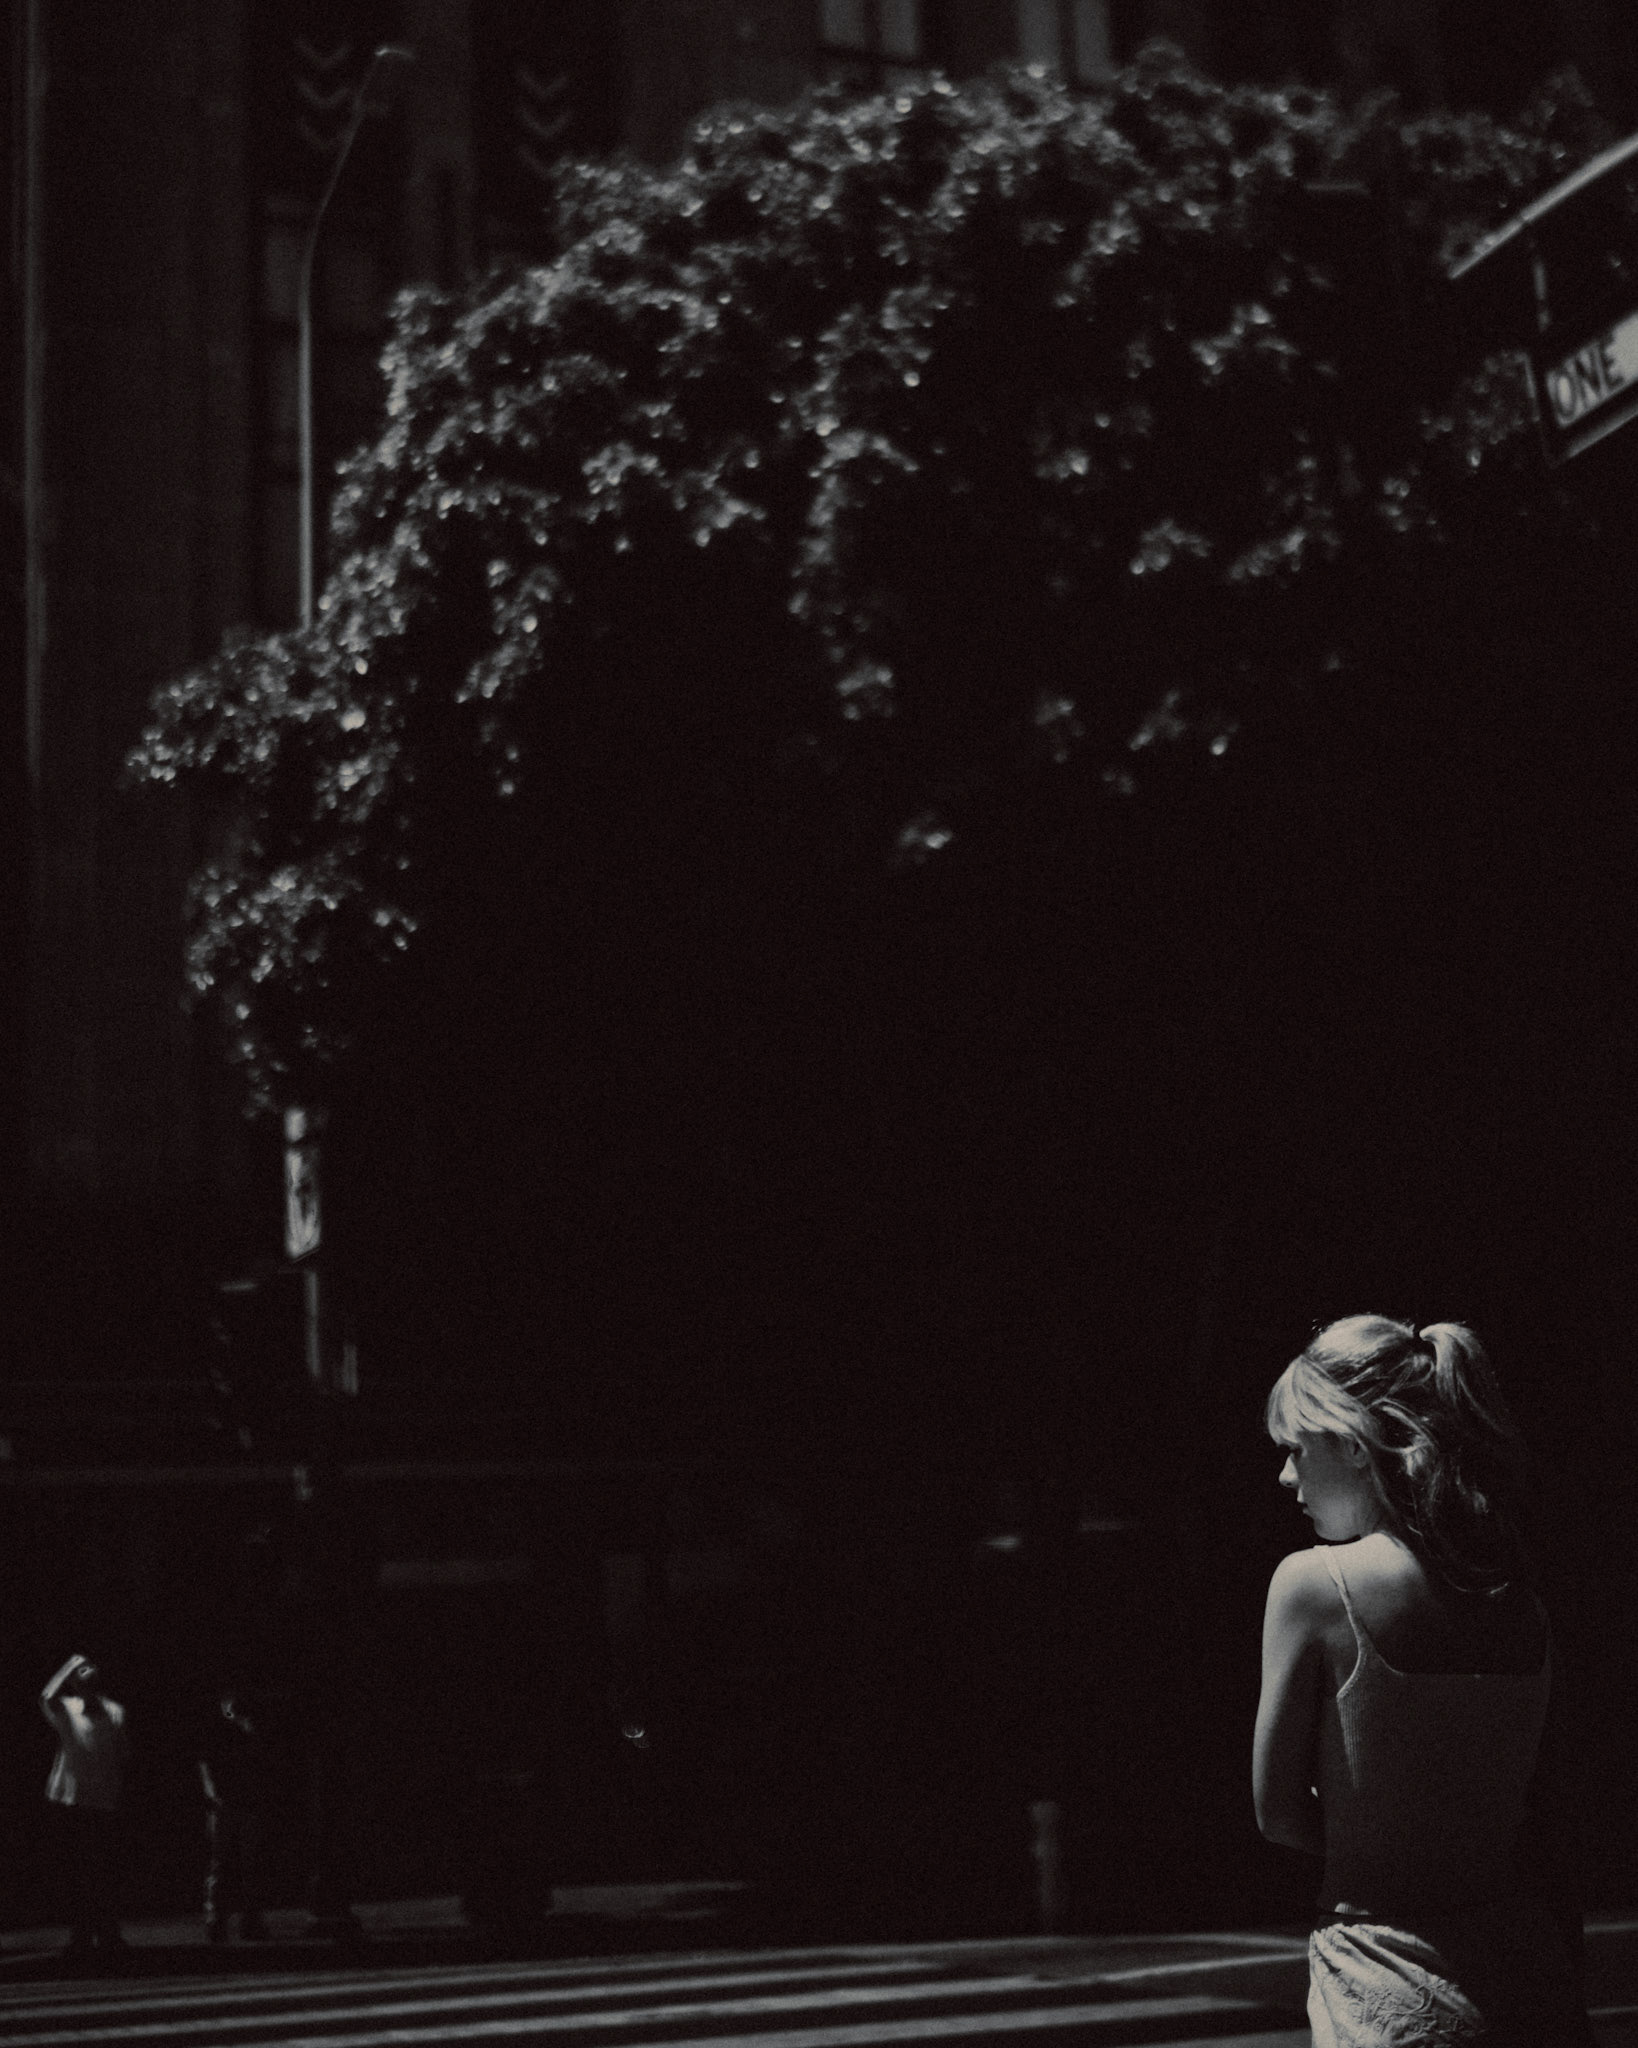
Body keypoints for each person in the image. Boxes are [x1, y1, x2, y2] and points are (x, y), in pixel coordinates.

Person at [1254, 1316, 1593, 2047]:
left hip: (1389, 1978)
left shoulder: (1314, 1585)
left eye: (1294, 1449)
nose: (1286, 1477)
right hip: (1527, 1974)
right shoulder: (1517, 1600)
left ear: (1349, 1443)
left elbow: (1276, 1810)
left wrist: (1375, 1845)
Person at [39, 1653, 131, 1962]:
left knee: (104, 1871)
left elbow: (122, 1753)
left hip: (104, 1801)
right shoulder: (67, 1708)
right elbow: (46, 1696)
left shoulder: (114, 1711)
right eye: (83, 1670)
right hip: (73, 1801)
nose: (89, 1671)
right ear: (75, 1682)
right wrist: (69, 1665)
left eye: (92, 1667)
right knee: (80, 1872)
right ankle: (81, 1934)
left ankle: (106, 1932)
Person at [198, 1689, 272, 1942]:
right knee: (220, 1863)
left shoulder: (249, 1728)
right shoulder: (218, 1731)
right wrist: (212, 1795)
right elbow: (205, 1764)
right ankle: (216, 1919)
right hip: (225, 1805)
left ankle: (249, 1920)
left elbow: (260, 1760)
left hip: (246, 1804)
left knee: (249, 1864)